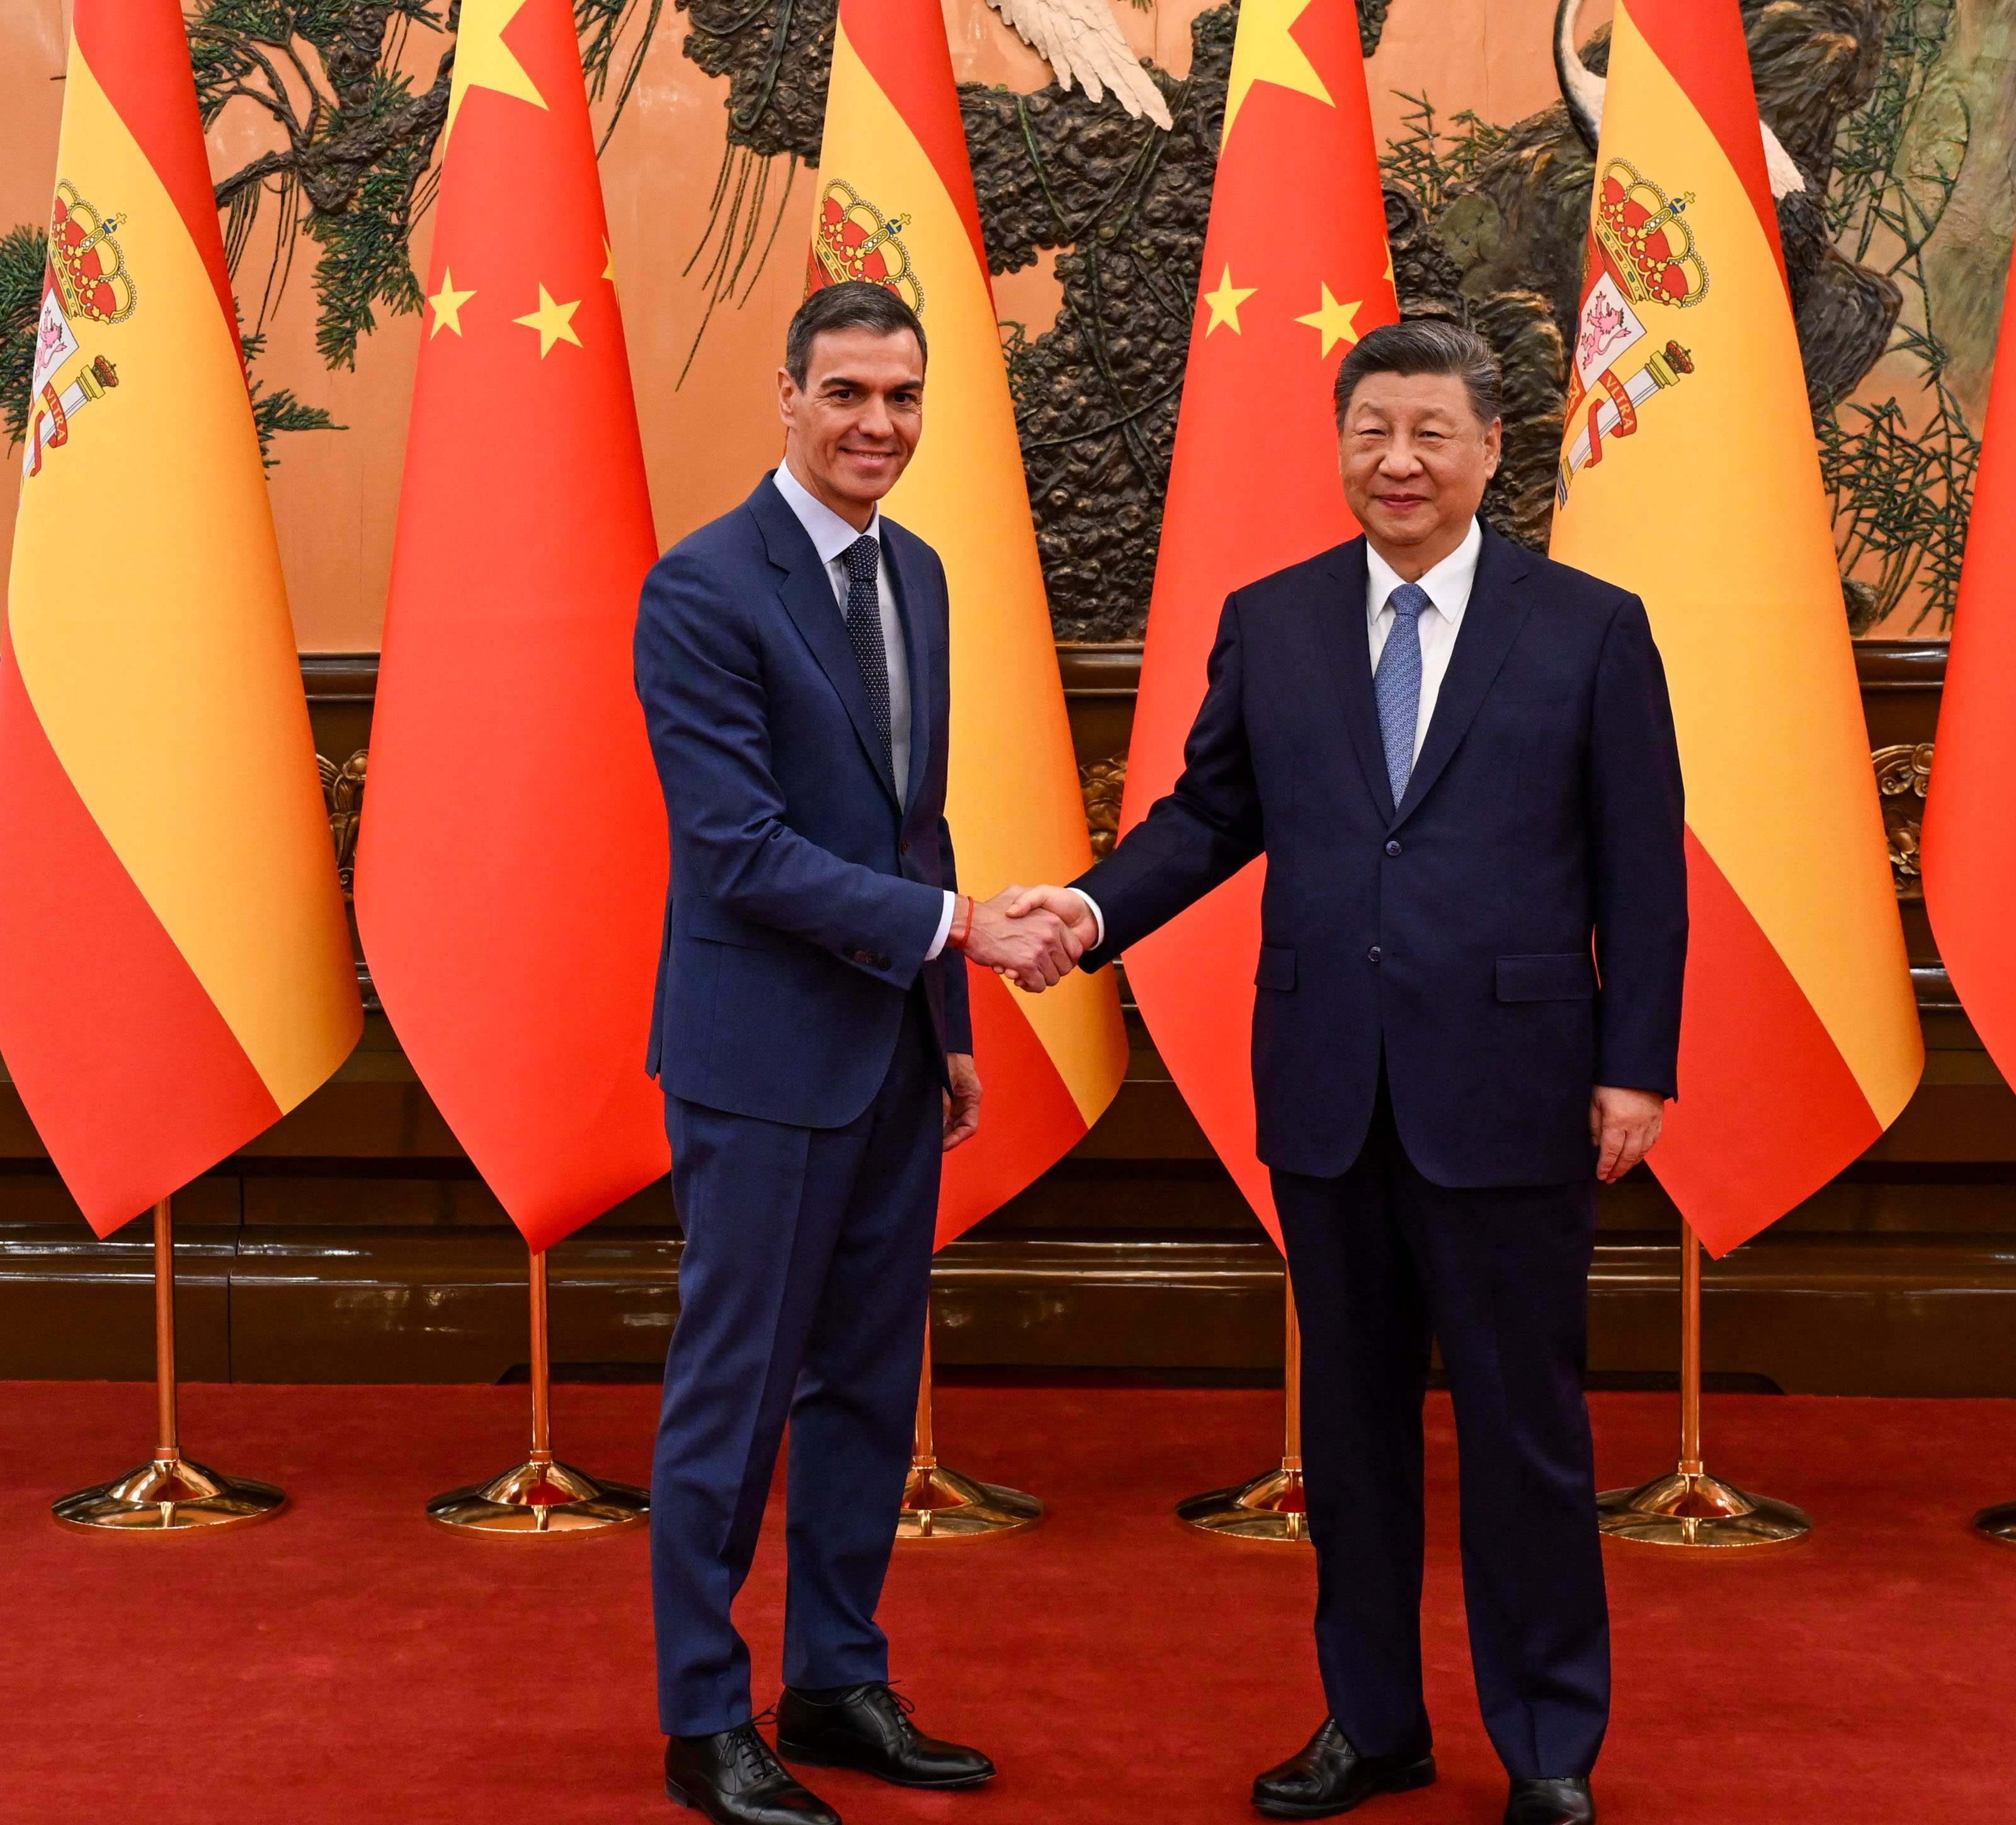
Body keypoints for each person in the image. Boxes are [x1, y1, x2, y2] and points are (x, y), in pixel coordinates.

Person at [1005, 320, 1686, 1825]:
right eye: (1372, 430)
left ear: (1492, 448)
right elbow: (1209, 815)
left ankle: (1550, 1743)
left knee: (1526, 1433)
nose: (1398, 462)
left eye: (1431, 433)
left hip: (1514, 1089)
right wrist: (1093, 904)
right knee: (1350, 1435)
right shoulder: (1277, 620)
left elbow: (1644, 869)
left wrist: (1636, 1064)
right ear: (1338, 445)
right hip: (1328, 1086)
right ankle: (1371, 1723)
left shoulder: (1587, 627)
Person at [634, 279, 1078, 1825]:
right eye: (846, 395)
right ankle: (706, 1719)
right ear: (788, 394)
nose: (876, 426)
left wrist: (947, 1030)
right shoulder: (700, 590)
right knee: (735, 1393)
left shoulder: (926, 576)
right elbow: (739, 852)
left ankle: (833, 1678)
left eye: (901, 398)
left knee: (870, 1391)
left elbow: (910, 820)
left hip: (892, 1053)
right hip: (757, 1063)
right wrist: (961, 932)